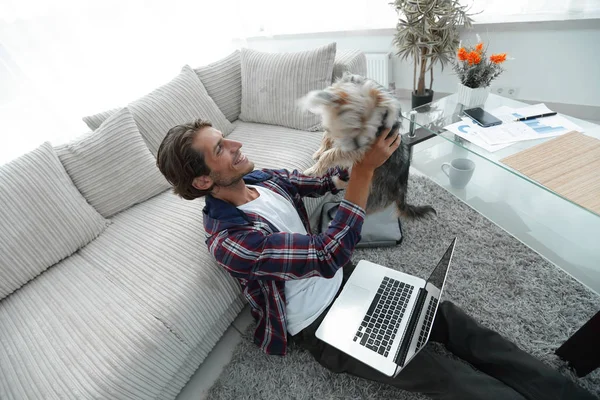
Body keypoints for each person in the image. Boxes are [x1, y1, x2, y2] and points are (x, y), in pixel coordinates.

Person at [156, 119, 597, 400]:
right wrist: (364, 175)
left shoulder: (258, 178)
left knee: (451, 321)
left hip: (351, 282)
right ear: (202, 179)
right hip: (317, 325)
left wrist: (362, 161)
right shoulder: (230, 237)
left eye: (224, 136)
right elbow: (328, 254)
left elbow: (316, 182)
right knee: (444, 376)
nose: (235, 143)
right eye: (220, 149)